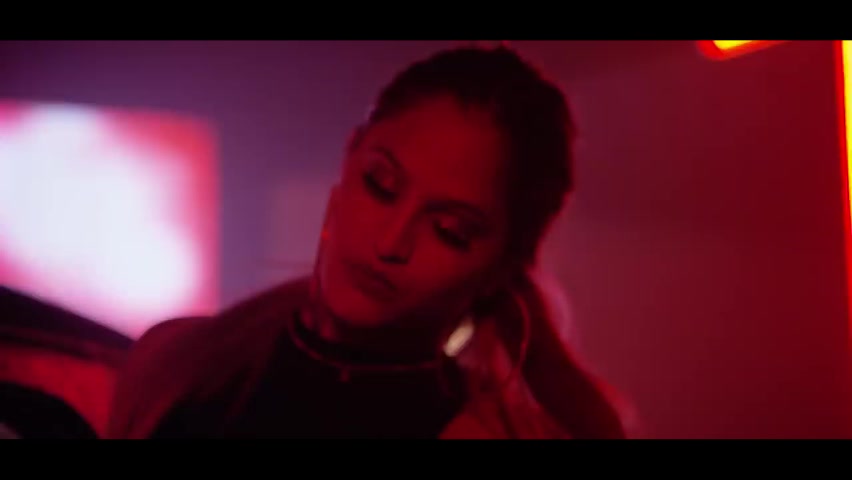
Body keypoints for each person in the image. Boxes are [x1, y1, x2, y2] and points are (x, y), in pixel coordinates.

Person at [108, 45, 628, 439]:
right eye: (380, 184)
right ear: (350, 156)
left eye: (450, 230)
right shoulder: (175, 362)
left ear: (502, 267)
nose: (391, 241)